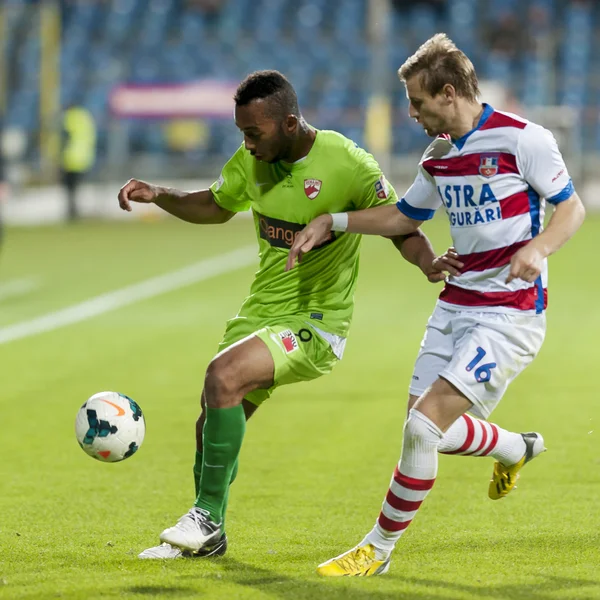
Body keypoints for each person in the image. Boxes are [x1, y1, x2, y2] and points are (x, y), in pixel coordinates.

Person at [117, 70, 460, 559]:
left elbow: (400, 224)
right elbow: (216, 206)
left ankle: (205, 518)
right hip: (261, 312)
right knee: (212, 417)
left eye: (254, 133)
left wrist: (429, 264)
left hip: (316, 321)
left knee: (223, 376)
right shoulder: (252, 161)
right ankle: (208, 530)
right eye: (242, 133)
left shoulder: (347, 163)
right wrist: (162, 195)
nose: (247, 143)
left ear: (290, 123)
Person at [286, 34, 586, 576]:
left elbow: (573, 209)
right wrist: (335, 221)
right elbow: (405, 218)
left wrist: (538, 248)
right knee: (429, 432)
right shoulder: (440, 154)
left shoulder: (525, 140)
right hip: (453, 307)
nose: (412, 114)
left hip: (510, 315)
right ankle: (515, 447)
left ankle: (375, 550)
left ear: (448, 94)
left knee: (422, 430)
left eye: (418, 103)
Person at [61, 105, 96, 221]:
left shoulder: (70, 117)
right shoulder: (85, 116)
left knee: (70, 188)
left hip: (70, 158)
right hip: (84, 158)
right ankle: (75, 211)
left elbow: (65, 136)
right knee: (76, 188)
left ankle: (72, 212)